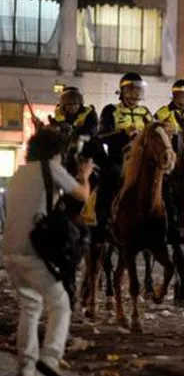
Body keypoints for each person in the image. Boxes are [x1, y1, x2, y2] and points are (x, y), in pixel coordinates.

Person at [2, 127, 94, 376]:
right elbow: (81, 195)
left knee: (31, 305)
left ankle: (27, 366)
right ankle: (51, 357)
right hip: (34, 251)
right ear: (56, 152)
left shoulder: (18, 173)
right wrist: (84, 175)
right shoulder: (51, 168)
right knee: (60, 303)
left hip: (10, 253)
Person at [95, 73, 153, 241]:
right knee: (109, 180)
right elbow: (102, 136)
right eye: (131, 91)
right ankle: (102, 224)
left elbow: (153, 132)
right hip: (119, 157)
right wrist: (123, 133)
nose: (135, 96)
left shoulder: (146, 112)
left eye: (138, 91)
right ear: (122, 91)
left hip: (143, 159)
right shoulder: (111, 110)